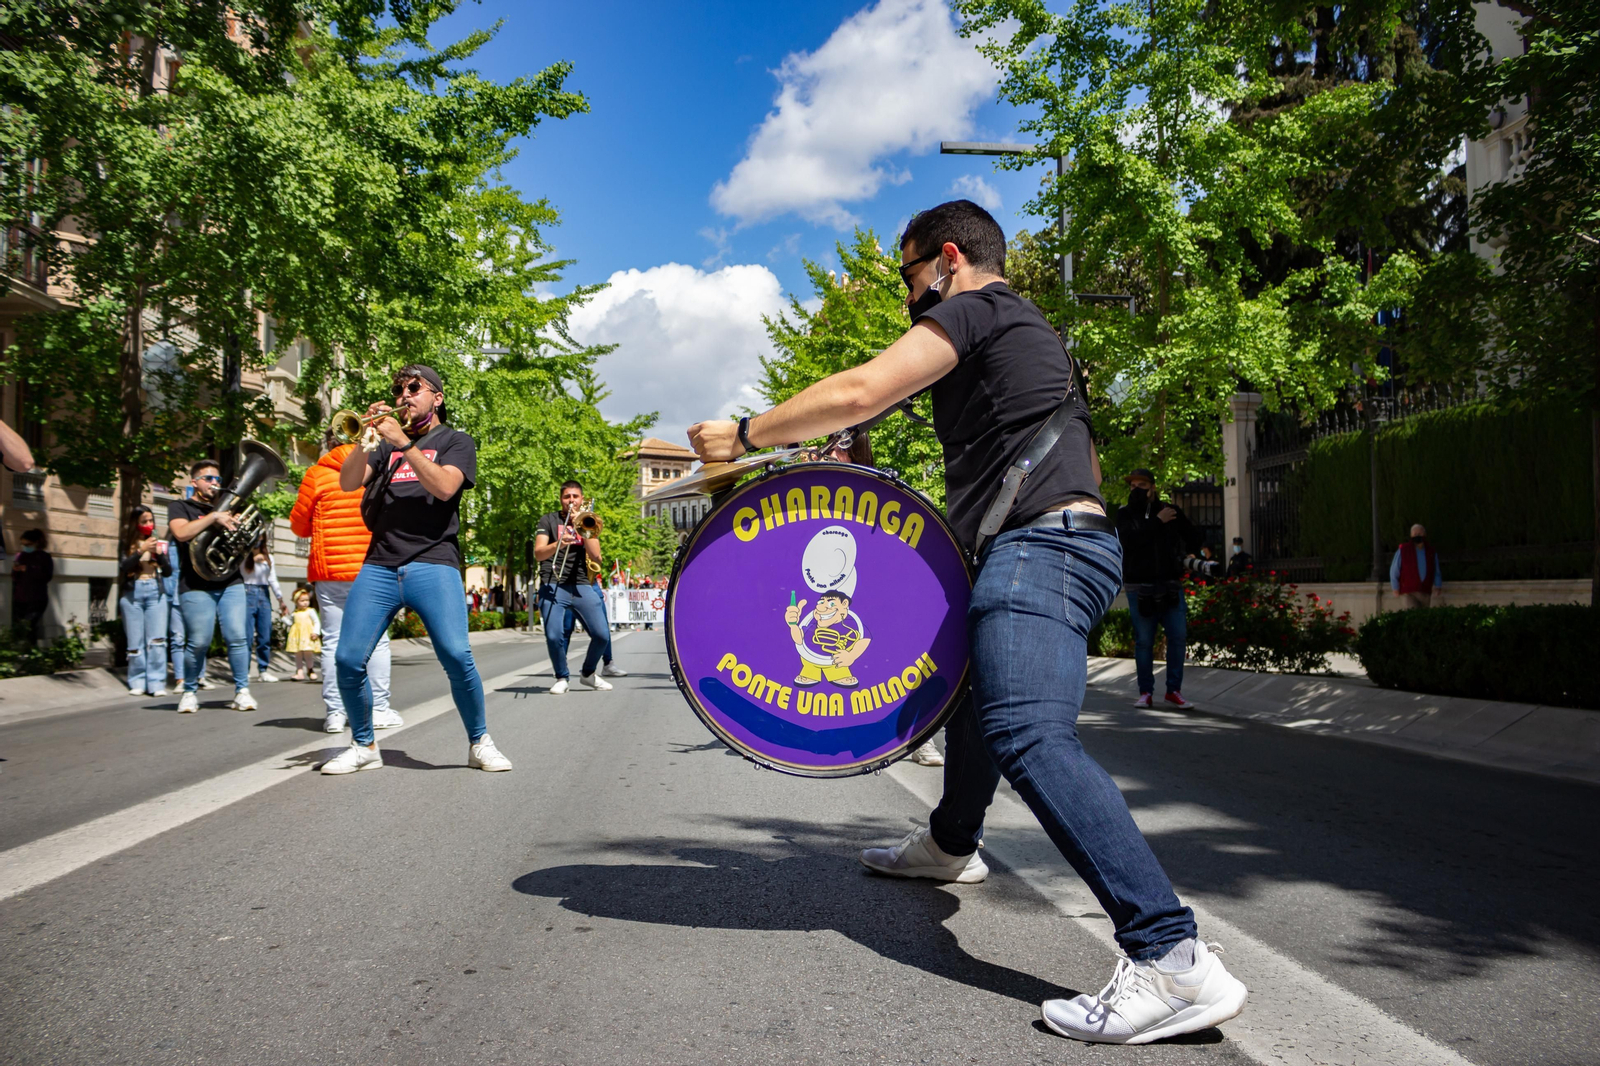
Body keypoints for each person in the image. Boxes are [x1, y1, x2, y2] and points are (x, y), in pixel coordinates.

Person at [687, 200, 1246, 1045]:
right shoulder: (1026, 339)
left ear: (948, 259)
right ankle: (951, 843)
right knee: (981, 700)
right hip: (1065, 544)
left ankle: (1171, 958)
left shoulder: (978, 306)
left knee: (1028, 731)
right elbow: (1022, 460)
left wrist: (742, 433)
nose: (908, 299)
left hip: (1042, 549)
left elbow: (860, 387)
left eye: (909, 277)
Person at [322, 363, 511, 775]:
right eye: (398, 390)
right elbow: (348, 484)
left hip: (433, 559)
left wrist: (404, 443)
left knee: (456, 655)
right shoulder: (384, 447)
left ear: (437, 398)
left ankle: (479, 741)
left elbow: (445, 487)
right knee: (348, 658)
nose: (403, 395)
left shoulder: (456, 441)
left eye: (413, 387)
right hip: (380, 563)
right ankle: (364, 745)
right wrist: (364, 441)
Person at [291, 432, 400, 734]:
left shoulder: (315, 474)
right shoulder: (379, 468)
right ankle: (378, 709)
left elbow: (299, 527)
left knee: (333, 642)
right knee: (376, 641)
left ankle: (335, 714)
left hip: (330, 572)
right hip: (372, 566)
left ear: (327, 444)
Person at [169, 459, 255, 713]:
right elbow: (182, 533)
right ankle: (189, 691)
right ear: (194, 482)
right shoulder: (180, 506)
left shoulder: (227, 507)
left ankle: (242, 691)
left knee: (238, 637)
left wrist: (238, 527)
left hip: (230, 581)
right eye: (209, 479)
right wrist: (213, 517)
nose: (215, 483)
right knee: (198, 641)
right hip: (196, 583)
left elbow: (245, 544)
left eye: (217, 479)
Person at [1117, 468, 1202, 710]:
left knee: (1177, 637)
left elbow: (1193, 534)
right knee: (1144, 641)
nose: (1136, 490)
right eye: (1132, 486)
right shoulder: (1124, 514)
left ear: (1152, 487)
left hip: (1170, 584)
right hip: (1139, 587)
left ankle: (1174, 690)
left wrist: (1190, 552)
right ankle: (1145, 692)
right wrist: (1156, 522)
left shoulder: (1170, 511)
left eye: (1141, 485)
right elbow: (1128, 541)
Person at [533, 480, 624, 695]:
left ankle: (588, 674)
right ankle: (562, 677)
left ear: (582, 499)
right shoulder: (548, 520)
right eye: (567, 497)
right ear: (561, 499)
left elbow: (596, 556)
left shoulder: (587, 521)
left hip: (582, 583)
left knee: (602, 635)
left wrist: (581, 527)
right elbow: (538, 553)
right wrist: (559, 544)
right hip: (553, 583)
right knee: (554, 635)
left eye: (575, 497)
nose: (571, 501)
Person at [119, 506, 171, 696]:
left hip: (155, 591)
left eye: (151, 521)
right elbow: (124, 566)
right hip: (133, 593)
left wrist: (160, 554)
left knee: (157, 641)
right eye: (144, 521)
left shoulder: (158, 543)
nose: (149, 525)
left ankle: (156, 683)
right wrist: (140, 551)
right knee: (135, 641)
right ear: (136, 524)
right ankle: (137, 681)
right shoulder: (127, 543)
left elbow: (168, 571)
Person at [240, 540, 286, 684]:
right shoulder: (243, 555)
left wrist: (280, 599)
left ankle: (263, 670)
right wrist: (253, 560)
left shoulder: (269, 557)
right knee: (246, 636)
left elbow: (272, 578)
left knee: (265, 635)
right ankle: (244, 672)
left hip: (264, 594)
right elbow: (240, 572)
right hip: (247, 592)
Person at [10, 528, 53, 646]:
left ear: (36, 543)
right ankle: (25, 653)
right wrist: (16, 570)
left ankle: (31, 654)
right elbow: (14, 577)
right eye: (23, 544)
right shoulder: (20, 556)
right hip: (20, 598)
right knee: (21, 627)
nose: (25, 547)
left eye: (28, 544)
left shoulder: (44, 557)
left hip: (37, 598)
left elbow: (47, 576)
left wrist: (27, 569)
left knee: (30, 625)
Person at [1390, 523, 1442, 608]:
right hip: (1408, 592)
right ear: (1411, 536)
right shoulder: (1403, 550)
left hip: (1425, 591)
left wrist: (1438, 585)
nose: (1417, 536)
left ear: (1424, 534)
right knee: (1413, 614)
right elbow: (1394, 570)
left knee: (1423, 617)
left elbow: (1436, 570)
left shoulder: (1430, 551)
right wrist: (1395, 587)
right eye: (1415, 534)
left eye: (1420, 533)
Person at [286, 587, 322, 680]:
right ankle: (299, 671)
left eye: (307, 600)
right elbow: (290, 623)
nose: (305, 602)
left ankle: (310, 670)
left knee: (308, 653)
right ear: (296, 601)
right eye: (302, 600)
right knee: (298, 654)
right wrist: (283, 618)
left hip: (307, 635)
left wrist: (316, 632)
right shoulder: (295, 613)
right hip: (297, 636)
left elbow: (316, 622)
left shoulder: (310, 611)